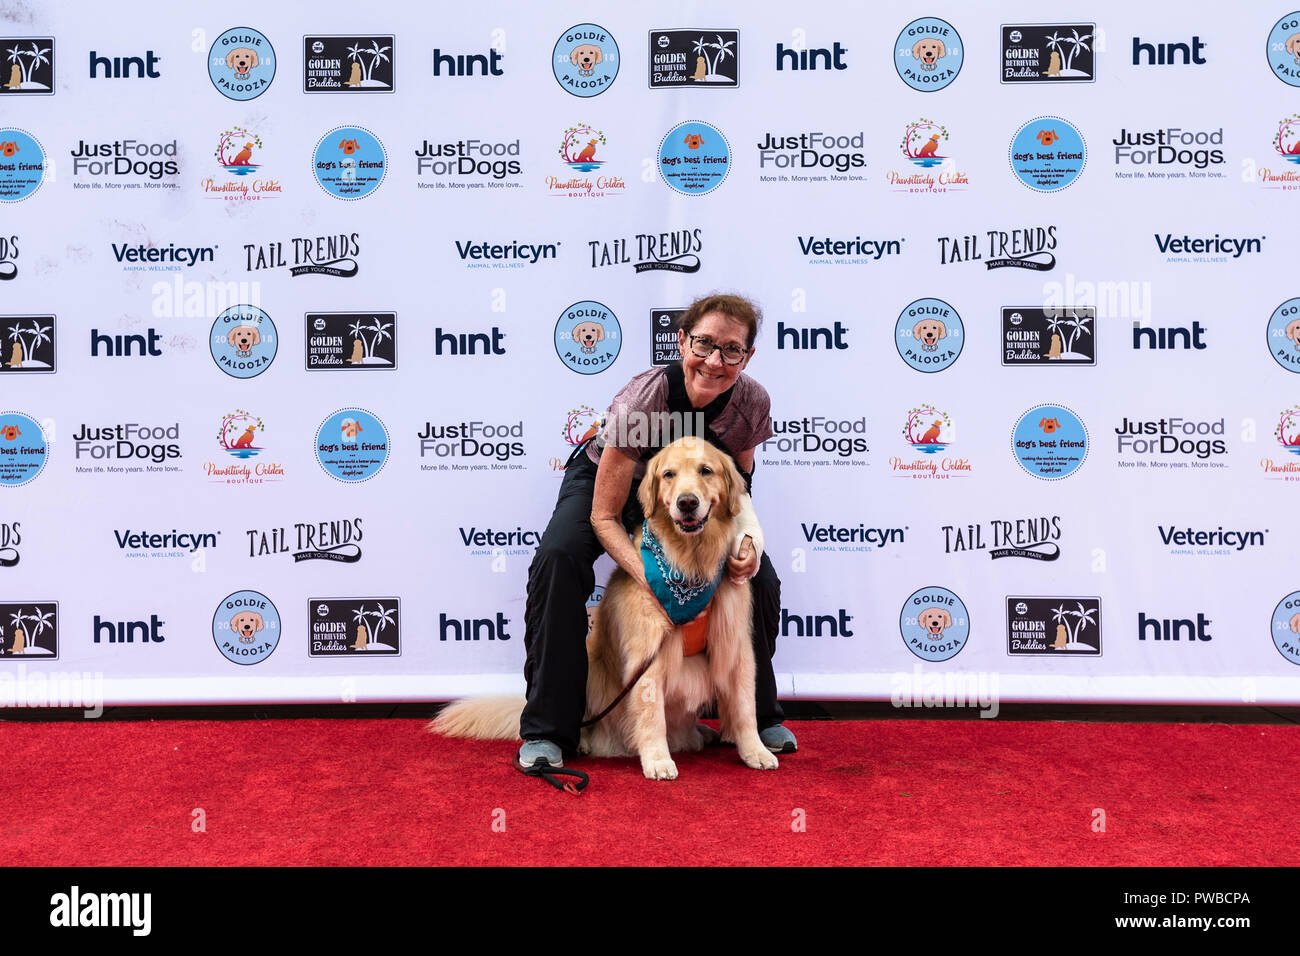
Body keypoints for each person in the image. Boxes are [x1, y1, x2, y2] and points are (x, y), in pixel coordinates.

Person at [519, 293, 794, 769]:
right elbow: (605, 516)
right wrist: (648, 575)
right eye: (703, 343)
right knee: (559, 558)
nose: (714, 360)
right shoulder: (642, 399)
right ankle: (548, 730)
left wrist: (746, 545)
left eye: (731, 350)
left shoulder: (752, 401)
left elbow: (739, 488)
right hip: (613, 486)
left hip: (691, 497)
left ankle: (754, 718)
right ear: (682, 340)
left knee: (760, 579)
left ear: (747, 357)